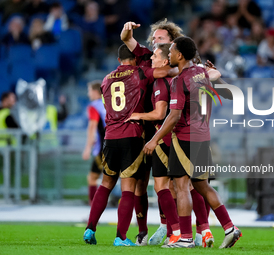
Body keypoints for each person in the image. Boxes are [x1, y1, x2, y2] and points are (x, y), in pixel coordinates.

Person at [121, 20, 214, 247]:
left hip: (174, 130)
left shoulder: (176, 68)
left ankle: (191, 230)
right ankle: (182, 229)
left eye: (160, 40)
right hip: (170, 131)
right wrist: (127, 30)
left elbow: (208, 74)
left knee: (183, 184)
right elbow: (126, 39)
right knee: (171, 184)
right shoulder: (156, 61)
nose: (154, 43)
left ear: (172, 45)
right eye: (153, 39)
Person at [144, 36, 242, 248]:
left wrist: (154, 139)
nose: (169, 54)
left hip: (185, 138)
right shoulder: (202, 74)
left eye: (171, 51)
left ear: (179, 55)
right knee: (202, 185)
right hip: (203, 137)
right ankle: (230, 227)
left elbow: (174, 116)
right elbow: (230, 94)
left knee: (181, 187)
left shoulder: (180, 80)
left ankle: (186, 237)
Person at [83, 44, 161, 246]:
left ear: (118, 61)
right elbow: (165, 71)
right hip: (132, 135)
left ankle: (90, 229)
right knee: (128, 188)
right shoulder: (141, 73)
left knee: (105, 184)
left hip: (110, 137)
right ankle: (121, 237)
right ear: (135, 59)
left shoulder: (106, 79)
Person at [82, 80, 106, 205]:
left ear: (96, 92)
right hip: (119, 145)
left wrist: (87, 148)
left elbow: (92, 127)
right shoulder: (110, 104)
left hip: (103, 149)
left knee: (92, 178)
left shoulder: (94, 106)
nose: (88, 94)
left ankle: (94, 210)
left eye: (89, 91)